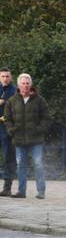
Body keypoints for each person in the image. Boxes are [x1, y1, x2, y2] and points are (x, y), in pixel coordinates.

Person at [3, 73, 49, 199]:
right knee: (20, 166)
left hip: (36, 140)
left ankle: (41, 192)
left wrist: (39, 129)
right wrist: (11, 130)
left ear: (31, 85)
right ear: (18, 85)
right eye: (23, 83)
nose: (25, 86)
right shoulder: (12, 101)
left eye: (27, 83)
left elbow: (46, 118)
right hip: (18, 139)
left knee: (38, 164)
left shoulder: (40, 100)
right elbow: (7, 119)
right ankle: (21, 192)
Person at [0, 68, 16, 196]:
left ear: (11, 78)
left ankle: (7, 187)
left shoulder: (14, 91)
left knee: (7, 157)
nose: (5, 78)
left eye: (7, 76)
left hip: (6, 129)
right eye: (3, 76)